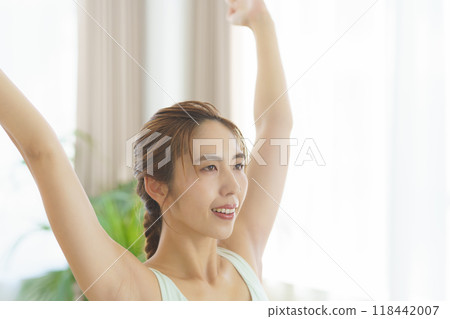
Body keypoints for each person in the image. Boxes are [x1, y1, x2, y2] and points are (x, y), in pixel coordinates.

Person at [0, 0, 292, 301]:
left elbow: (276, 124)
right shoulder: (131, 289)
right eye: (209, 167)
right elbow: (42, 153)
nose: (234, 186)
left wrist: (260, 19)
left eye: (239, 165)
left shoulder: (243, 255)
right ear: (157, 186)